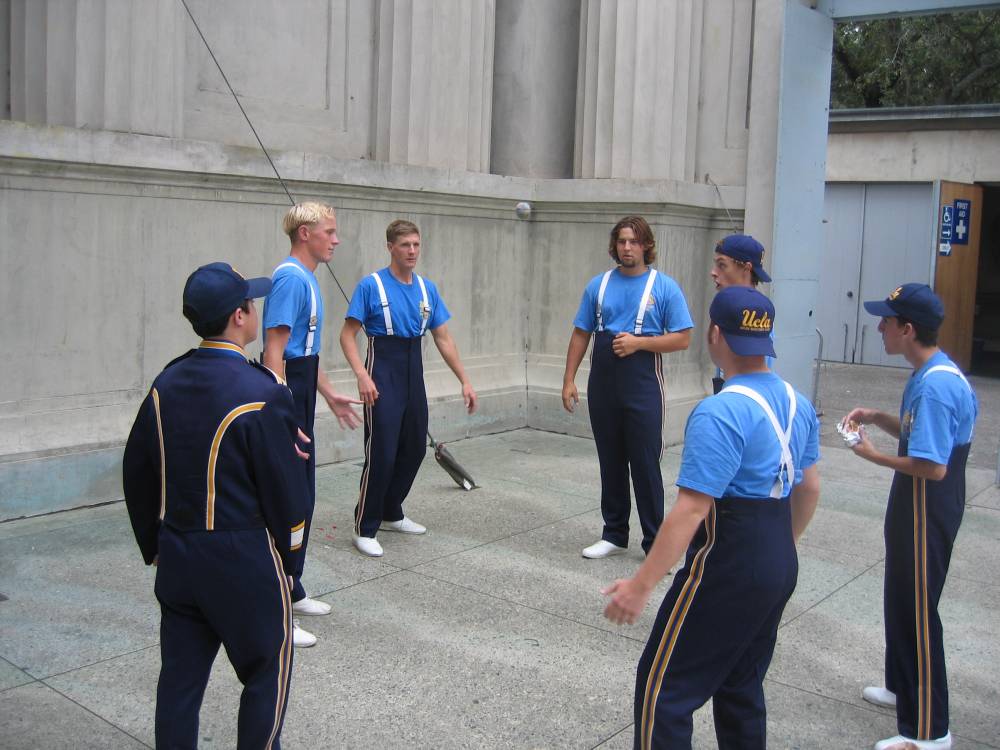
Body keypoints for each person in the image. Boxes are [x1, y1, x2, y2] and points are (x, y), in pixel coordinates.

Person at [603, 286, 821, 750]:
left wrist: (640, 586)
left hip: (729, 560)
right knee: (740, 684)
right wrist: (783, 549)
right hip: (778, 552)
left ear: (715, 334)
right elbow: (810, 487)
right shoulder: (798, 402)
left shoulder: (720, 411)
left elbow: (692, 509)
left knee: (664, 691)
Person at [123, 262, 307, 749]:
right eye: (251, 302)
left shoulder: (166, 383)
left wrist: (154, 544)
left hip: (179, 553)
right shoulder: (262, 392)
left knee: (179, 686)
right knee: (265, 671)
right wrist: (290, 563)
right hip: (242, 556)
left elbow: (137, 472)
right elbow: (287, 494)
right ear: (240, 316)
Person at [843, 283, 977, 750]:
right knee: (901, 596)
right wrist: (880, 417)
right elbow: (923, 434)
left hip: (927, 502)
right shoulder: (930, 372)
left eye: (887, 321)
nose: (880, 327)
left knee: (919, 610)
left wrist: (872, 455)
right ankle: (903, 684)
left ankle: (929, 731)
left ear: (908, 329)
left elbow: (933, 465)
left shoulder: (937, 385)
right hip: (916, 501)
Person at [339, 219, 477, 558]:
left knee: (414, 447)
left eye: (416, 244)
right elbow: (347, 335)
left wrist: (465, 380)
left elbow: (443, 338)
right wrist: (361, 374)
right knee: (382, 451)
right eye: (405, 245)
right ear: (390, 247)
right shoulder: (372, 286)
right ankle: (365, 525)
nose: (412, 251)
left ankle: (390, 510)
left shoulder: (427, 289)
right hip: (382, 366)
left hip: (413, 367)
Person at [562, 216, 693, 559]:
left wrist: (639, 344)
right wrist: (569, 379)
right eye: (622, 241)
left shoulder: (664, 287)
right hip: (604, 383)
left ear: (647, 245)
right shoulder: (599, 285)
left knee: (645, 463)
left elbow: (682, 338)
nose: (627, 248)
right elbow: (581, 333)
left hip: (642, 382)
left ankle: (655, 545)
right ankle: (615, 533)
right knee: (611, 460)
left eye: (634, 242)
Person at [263, 202, 362, 648]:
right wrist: (282, 413)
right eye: (330, 231)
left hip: (301, 388)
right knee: (290, 499)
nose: (335, 239)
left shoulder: (305, 279)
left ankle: (293, 585)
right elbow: (274, 352)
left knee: (303, 496)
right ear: (305, 233)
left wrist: (327, 392)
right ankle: (276, 605)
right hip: (287, 396)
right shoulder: (289, 278)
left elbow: (305, 355)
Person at [710, 233, 771, 392]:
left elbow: (756, 383)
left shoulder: (758, 319)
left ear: (746, 268)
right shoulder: (728, 309)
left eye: (722, 265)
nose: (713, 272)